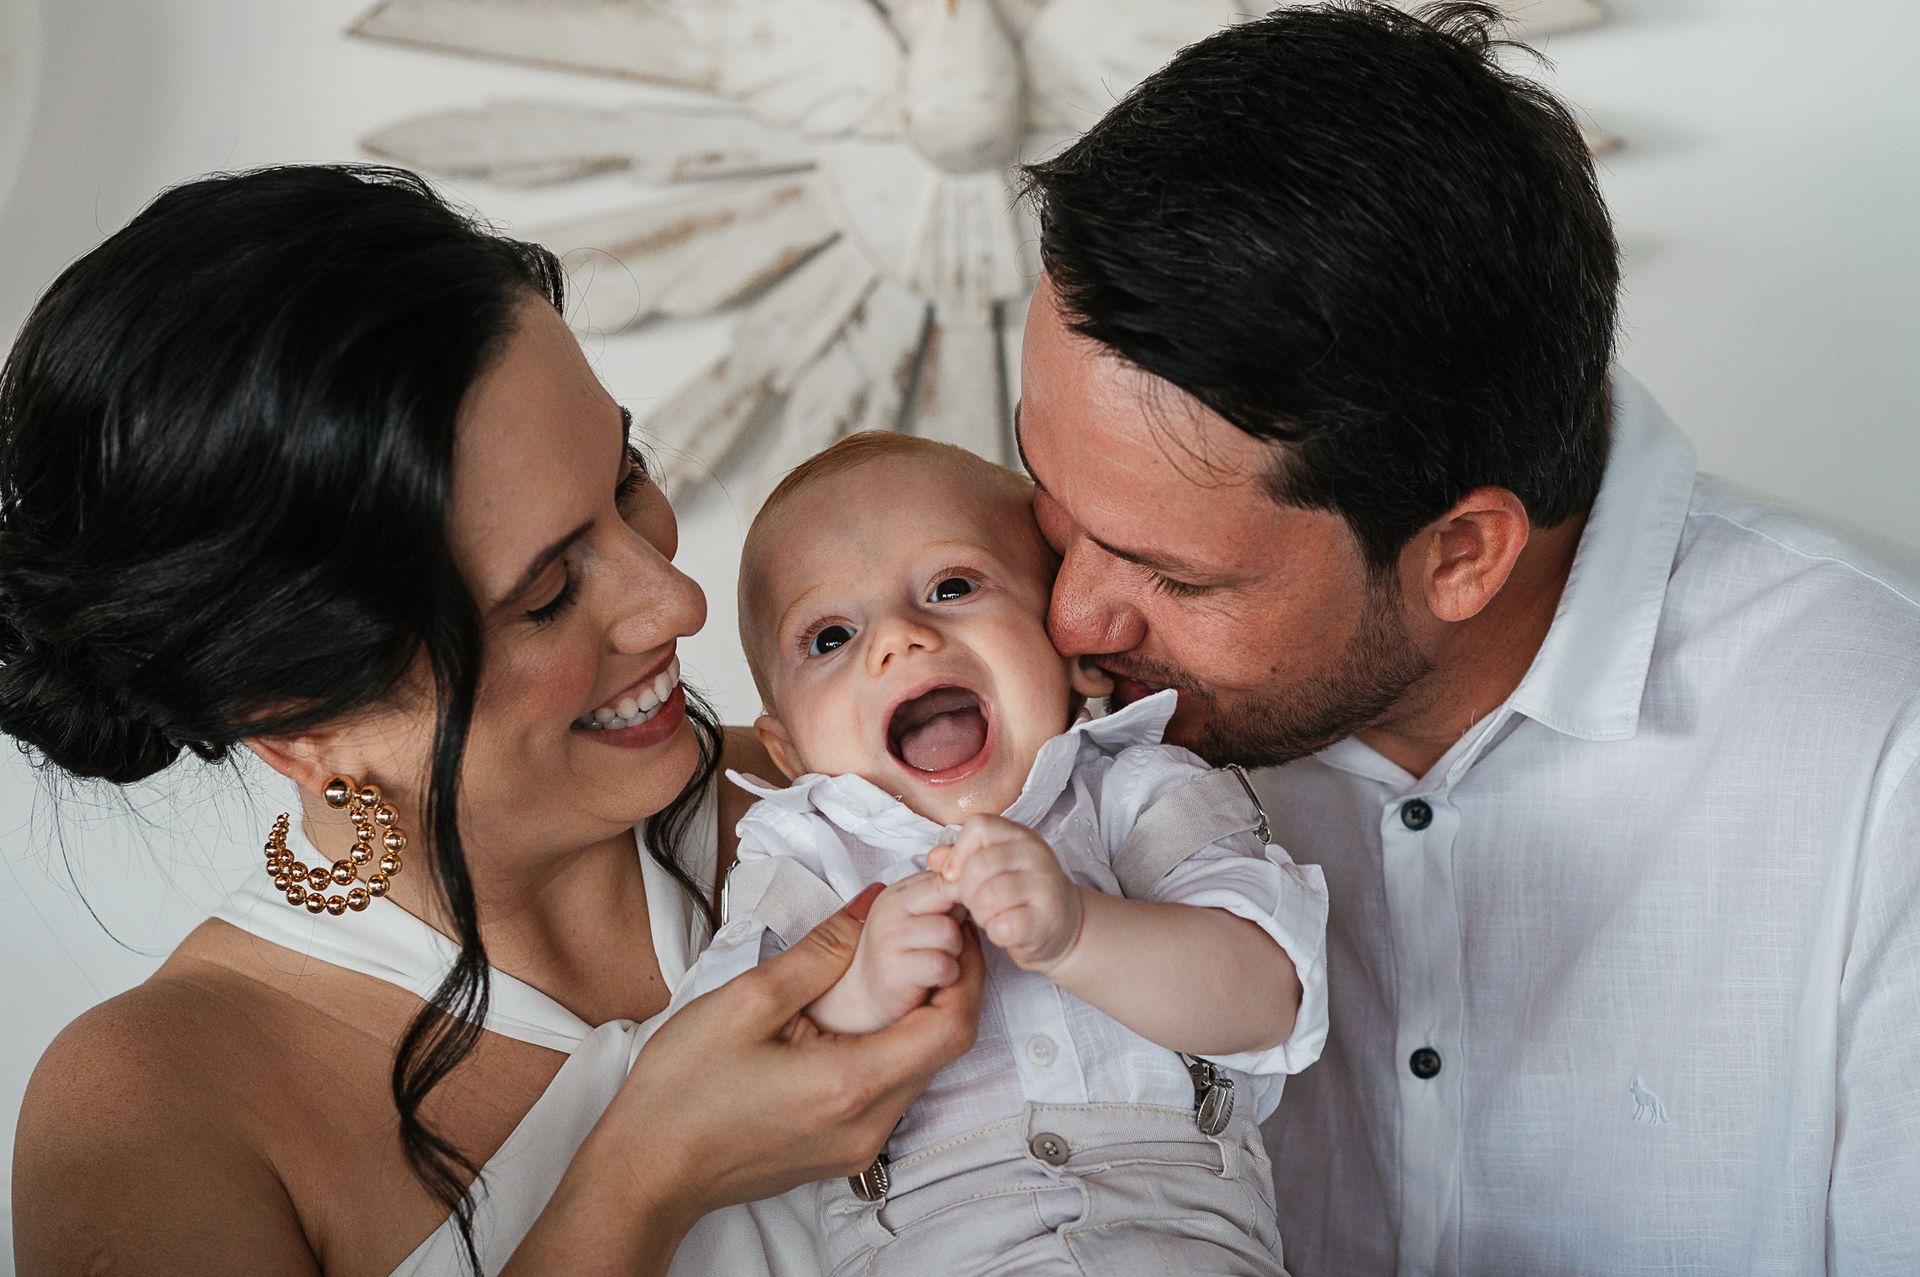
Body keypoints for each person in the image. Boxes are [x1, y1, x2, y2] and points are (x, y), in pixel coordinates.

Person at [1011, 3, 1920, 1275]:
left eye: (1171, 571)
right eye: (1049, 491)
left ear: (1462, 553)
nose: (1070, 618)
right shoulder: (1023, 708)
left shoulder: (1887, 756)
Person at [0, 164, 981, 1276]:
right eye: (547, 594)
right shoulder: (158, 1111)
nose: (678, 601)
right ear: (293, 721)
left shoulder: (902, 799)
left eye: (628, 477)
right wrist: (645, 1178)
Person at [673, 430, 1328, 1274]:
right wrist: (860, 993)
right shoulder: (801, 859)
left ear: (1066, 650)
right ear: (790, 750)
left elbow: (1272, 994)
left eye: (951, 586)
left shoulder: (1137, 790)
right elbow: (725, 1080)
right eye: (830, 636)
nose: (898, 638)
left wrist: (1083, 933)